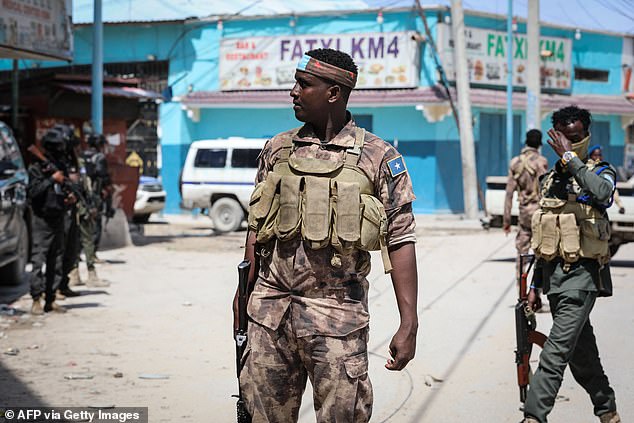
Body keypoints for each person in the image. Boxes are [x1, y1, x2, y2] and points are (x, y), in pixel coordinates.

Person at [235, 48, 418, 422]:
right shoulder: (278, 149)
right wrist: (243, 294)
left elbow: (400, 240)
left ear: (333, 93)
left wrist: (409, 321)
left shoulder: (378, 157)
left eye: (304, 84)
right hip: (269, 317)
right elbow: (256, 228)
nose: (293, 92)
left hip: (337, 322)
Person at [523, 106, 620, 423]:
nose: (571, 143)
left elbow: (604, 194)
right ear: (555, 136)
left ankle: (534, 416)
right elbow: (543, 235)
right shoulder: (549, 180)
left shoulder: (600, 170)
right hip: (554, 278)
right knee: (582, 354)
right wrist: (535, 285)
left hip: (583, 278)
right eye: (566, 138)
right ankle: (607, 410)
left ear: (587, 135)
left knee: (555, 352)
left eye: (577, 137)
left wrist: (570, 158)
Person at [27, 127, 76, 314]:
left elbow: (64, 190)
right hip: (41, 219)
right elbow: (33, 192)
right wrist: (51, 181)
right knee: (39, 260)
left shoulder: (59, 165)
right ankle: (36, 299)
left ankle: (51, 298)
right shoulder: (37, 168)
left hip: (58, 217)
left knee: (56, 260)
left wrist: (70, 197)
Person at [503, 129, 548, 275]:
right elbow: (546, 189)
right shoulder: (542, 162)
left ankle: (520, 292)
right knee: (541, 254)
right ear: (539, 144)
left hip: (524, 213)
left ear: (526, 141)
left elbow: (509, 194)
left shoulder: (515, 162)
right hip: (539, 213)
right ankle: (536, 292)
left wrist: (506, 221)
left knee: (521, 254)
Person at [83, 134, 112, 262]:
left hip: (83, 194)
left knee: (82, 223)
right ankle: (92, 254)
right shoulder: (99, 157)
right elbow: (101, 175)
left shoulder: (82, 156)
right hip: (95, 194)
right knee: (96, 224)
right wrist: (106, 188)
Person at [588, 145, 625, 214]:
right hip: (586, 207)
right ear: (590, 156)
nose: (598, 158)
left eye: (599, 155)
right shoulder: (586, 169)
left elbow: (611, 189)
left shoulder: (604, 169)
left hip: (600, 209)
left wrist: (620, 206)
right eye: (595, 155)